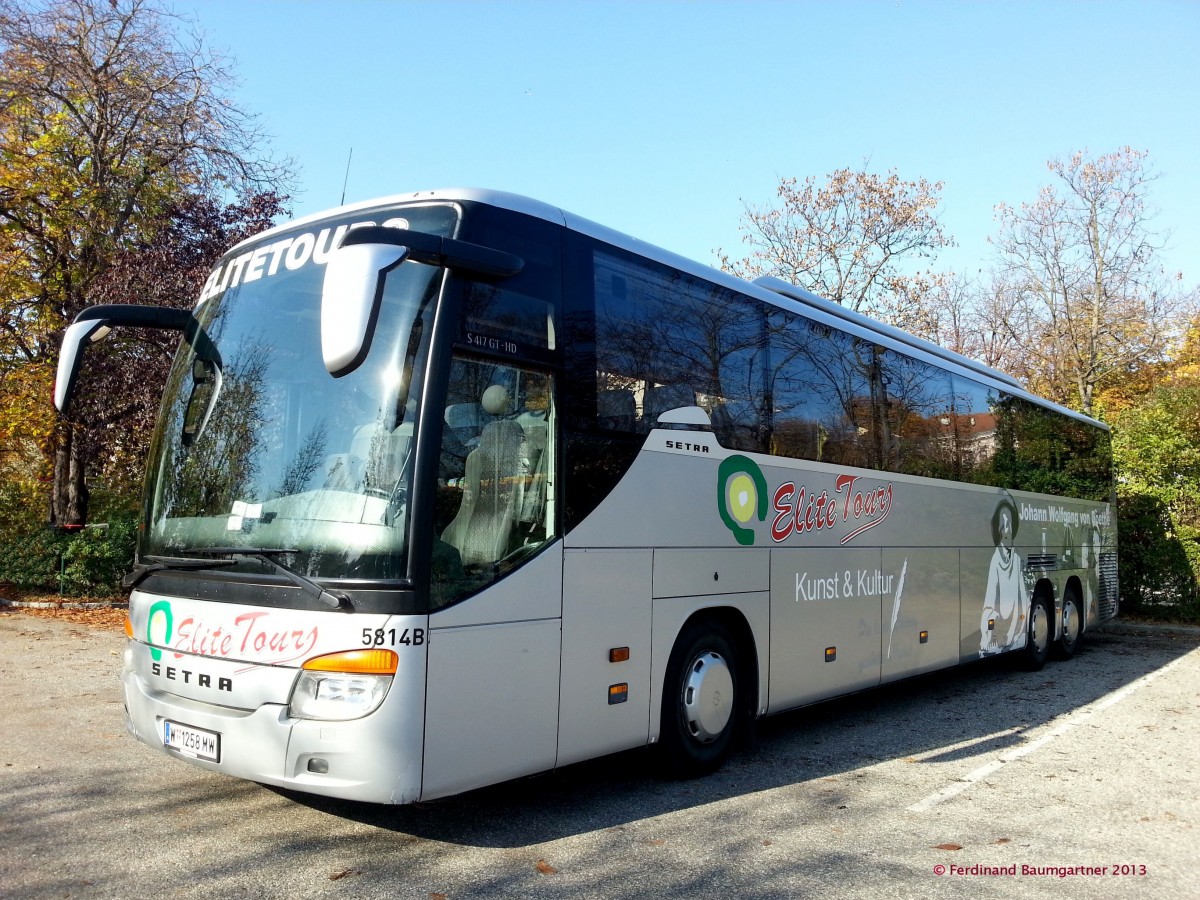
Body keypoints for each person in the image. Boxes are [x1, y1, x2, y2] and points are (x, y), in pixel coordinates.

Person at [980, 495, 1026, 655]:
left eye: (1010, 524)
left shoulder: (1017, 560)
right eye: (1004, 525)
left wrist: (1022, 628)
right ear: (999, 531)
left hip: (1016, 624)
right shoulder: (995, 560)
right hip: (999, 622)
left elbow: (1024, 598)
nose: (1008, 529)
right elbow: (989, 602)